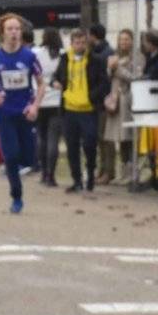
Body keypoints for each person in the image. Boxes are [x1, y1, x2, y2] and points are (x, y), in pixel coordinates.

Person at [0, 13, 44, 214]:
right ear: (2, 33)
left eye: (17, 29)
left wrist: (35, 106)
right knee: (11, 156)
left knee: (29, 158)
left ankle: (26, 167)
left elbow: (41, 84)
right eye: (10, 29)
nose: (14, 33)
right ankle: (16, 196)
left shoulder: (29, 57)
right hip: (4, 113)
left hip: (25, 112)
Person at [58, 27, 111, 192]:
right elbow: (58, 76)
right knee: (72, 146)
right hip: (69, 109)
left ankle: (90, 174)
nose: (79, 45)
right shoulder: (65, 58)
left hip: (88, 110)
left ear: (86, 43)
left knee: (89, 144)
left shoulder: (95, 60)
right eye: (76, 42)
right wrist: (57, 83)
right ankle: (76, 180)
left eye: (82, 42)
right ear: (71, 43)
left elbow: (105, 83)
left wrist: (91, 96)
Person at [106, 27, 138, 185]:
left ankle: (132, 172)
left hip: (128, 100)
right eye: (121, 39)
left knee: (128, 137)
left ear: (132, 41)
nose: (123, 42)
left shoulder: (137, 57)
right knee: (118, 137)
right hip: (115, 100)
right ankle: (122, 172)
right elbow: (109, 76)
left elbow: (135, 78)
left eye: (126, 39)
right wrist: (110, 69)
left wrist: (117, 69)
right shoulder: (114, 56)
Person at [35, 29, 66, 187]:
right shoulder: (63, 54)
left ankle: (43, 173)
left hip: (40, 99)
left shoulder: (37, 53)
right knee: (53, 139)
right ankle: (51, 175)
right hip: (57, 100)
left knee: (41, 137)